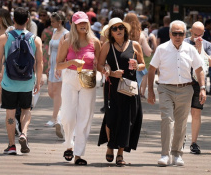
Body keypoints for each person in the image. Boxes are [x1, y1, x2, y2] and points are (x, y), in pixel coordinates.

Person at [148, 20, 206, 167]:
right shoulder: (162, 49)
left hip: (185, 89)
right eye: (175, 33)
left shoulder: (190, 49)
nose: (178, 36)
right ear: (170, 34)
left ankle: (176, 154)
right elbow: (151, 69)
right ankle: (164, 154)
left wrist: (203, 88)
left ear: (185, 34)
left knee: (181, 123)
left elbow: (199, 69)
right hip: (165, 88)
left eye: (181, 33)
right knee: (167, 120)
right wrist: (150, 91)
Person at [0, 7, 43, 155]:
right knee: (26, 110)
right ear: (28, 20)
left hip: (9, 81)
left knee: (10, 112)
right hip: (27, 81)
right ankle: (24, 133)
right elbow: (40, 63)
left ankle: (11, 146)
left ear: (13, 20)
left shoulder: (4, 37)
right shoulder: (35, 39)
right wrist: (38, 81)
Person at [97, 17, 144, 166]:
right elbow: (99, 65)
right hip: (112, 88)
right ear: (110, 32)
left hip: (129, 88)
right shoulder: (107, 45)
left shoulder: (135, 45)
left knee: (126, 121)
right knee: (111, 118)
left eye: (121, 27)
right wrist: (109, 72)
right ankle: (111, 145)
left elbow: (143, 64)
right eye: (115, 28)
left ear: (125, 29)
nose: (118, 30)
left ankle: (120, 153)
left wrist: (138, 65)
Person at [56, 11, 100, 165]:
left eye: (85, 22)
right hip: (70, 77)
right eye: (80, 23)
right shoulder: (67, 41)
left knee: (85, 117)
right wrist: (72, 61)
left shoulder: (95, 42)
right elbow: (59, 64)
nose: (83, 25)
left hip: (87, 79)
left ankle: (78, 154)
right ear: (74, 25)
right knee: (68, 116)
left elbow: (99, 64)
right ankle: (69, 144)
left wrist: (106, 70)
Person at [184, 21, 211, 154]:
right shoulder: (183, 42)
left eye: (200, 34)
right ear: (191, 32)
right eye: (195, 34)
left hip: (199, 83)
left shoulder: (207, 44)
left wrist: (200, 49)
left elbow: (210, 63)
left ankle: (194, 142)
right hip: (184, 82)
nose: (197, 37)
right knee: (182, 113)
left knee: (196, 113)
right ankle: (181, 138)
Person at [45, 11, 69, 134]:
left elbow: (65, 52)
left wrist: (59, 67)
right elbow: (51, 49)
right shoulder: (54, 32)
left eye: (53, 21)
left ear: (59, 22)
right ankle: (61, 111)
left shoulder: (66, 34)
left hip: (60, 65)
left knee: (57, 92)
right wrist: (49, 63)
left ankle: (55, 118)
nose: (51, 23)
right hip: (52, 63)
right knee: (51, 92)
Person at [124, 13, 152, 99]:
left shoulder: (122, 33)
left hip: (123, 62)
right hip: (135, 65)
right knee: (134, 91)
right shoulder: (141, 35)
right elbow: (148, 52)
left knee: (123, 90)